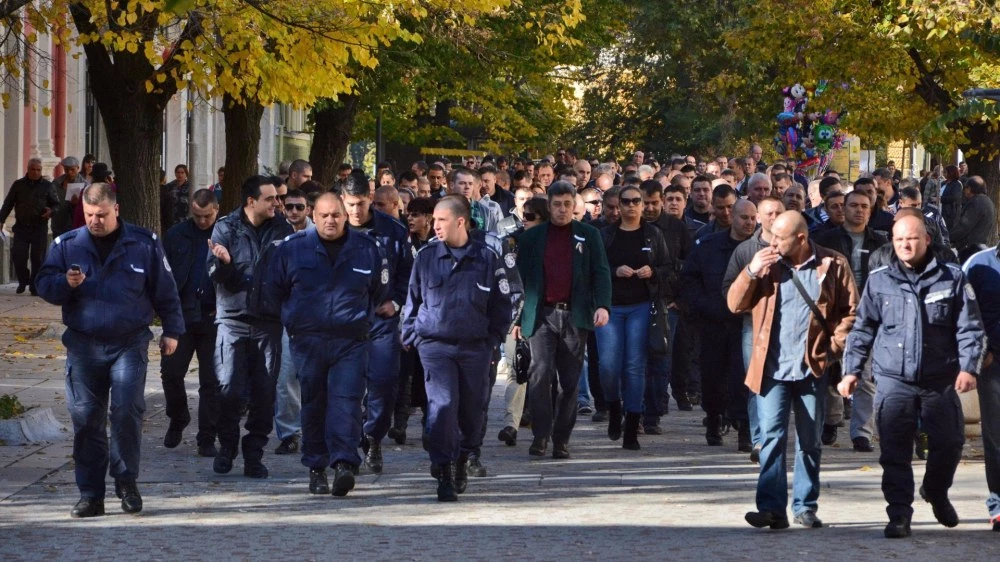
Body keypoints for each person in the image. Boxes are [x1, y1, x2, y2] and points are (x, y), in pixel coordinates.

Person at [35, 183, 184, 518]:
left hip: (129, 342)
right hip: (84, 345)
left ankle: (127, 480)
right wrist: (66, 284)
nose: (95, 221)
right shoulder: (67, 245)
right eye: (89, 215)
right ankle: (91, 494)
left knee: (127, 410)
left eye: (101, 214)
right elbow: (44, 284)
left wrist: (173, 330)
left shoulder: (143, 243)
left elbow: (165, 289)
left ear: (115, 209)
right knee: (87, 419)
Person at [840, 215, 984, 539]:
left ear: (927, 240)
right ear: (893, 240)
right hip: (894, 379)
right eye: (900, 239)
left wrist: (968, 367)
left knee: (950, 443)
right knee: (895, 450)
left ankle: (935, 490)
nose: (906, 244)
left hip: (939, 379)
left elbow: (969, 327)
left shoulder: (952, 278)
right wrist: (850, 371)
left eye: (913, 238)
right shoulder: (879, 280)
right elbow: (862, 329)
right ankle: (899, 514)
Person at [729, 211, 858, 530]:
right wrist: (751, 271)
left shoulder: (833, 264)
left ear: (801, 239)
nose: (771, 242)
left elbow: (851, 312)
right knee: (771, 438)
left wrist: (832, 350)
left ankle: (805, 506)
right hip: (770, 369)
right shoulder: (766, 265)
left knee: (810, 441)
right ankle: (772, 508)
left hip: (811, 369)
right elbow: (734, 304)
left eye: (779, 238)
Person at [265, 192, 386, 497]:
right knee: (314, 404)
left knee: (346, 402)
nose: (330, 220)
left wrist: (361, 321)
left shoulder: (367, 248)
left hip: (350, 342)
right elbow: (273, 291)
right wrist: (293, 323)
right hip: (308, 340)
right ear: (313, 216)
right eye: (324, 215)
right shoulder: (292, 249)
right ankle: (316, 466)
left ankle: (344, 463)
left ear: (345, 216)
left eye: (336, 215)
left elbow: (378, 291)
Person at [401, 195, 512, 501]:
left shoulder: (486, 258)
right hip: (435, 346)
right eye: (434, 220)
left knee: (472, 411)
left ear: (460, 221)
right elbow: (414, 300)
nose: (434, 226)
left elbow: (502, 306)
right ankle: (444, 469)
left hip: (476, 347)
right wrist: (411, 334)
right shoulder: (426, 258)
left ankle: (464, 457)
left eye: (441, 220)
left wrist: (492, 341)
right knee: (443, 406)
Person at [512, 182, 611, 457]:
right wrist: (518, 317)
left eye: (568, 204)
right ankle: (541, 435)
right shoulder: (532, 238)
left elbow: (601, 272)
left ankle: (561, 438)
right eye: (557, 204)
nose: (563, 209)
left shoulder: (588, 235)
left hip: (575, 314)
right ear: (550, 206)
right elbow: (520, 280)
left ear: (575, 206)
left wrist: (602, 305)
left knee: (569, 381)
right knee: (540, 374)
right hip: (542, 313)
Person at [207, 175, 292, 479]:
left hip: (269, 322)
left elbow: (290, 272)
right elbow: (214, 273)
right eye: (270, 198)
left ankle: (254, 453)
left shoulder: (282, 229)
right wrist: (225, 263)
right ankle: (227, 446)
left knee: (265, 392)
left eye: (277, 198)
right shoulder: (226, 227)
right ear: (251, 201)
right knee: (230, 388)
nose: (276, 203)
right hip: (234, 320)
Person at [342, 176, 413, 474]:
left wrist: (396, 302)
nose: (355, 211)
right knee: (345, 387)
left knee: (384, 383)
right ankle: (347, 446)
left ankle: (373, 435)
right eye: (350, 205)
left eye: (360, 204)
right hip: (344, 321)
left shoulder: (393, 231)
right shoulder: (333, 228)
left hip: (381, 319)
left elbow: (408, 274)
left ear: (370, 199)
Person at [594, 184, 671, 450]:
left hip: (641, 305)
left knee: (635, 366)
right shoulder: (605, 235)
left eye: (635, 201)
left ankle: (632, 427)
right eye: (625, 201)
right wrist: (615, 271)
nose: (630, 206)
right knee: (608, 365)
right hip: (611, 307)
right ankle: (614, 406)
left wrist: (653, 272)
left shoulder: (653, 235)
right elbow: (596, 270)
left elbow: (667, 268)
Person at [813, 191, 886, 451]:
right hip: (833, 315)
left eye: (864, 206)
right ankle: (831, 420)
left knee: (865, 375)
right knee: (831, 370)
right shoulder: (826, 239)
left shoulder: (880, 242)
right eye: (853, 205)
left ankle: (862, 433)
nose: (858, 210)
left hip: (869, 314)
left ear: (871, 209)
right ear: (843, 208)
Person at [683, 198, 758, 448]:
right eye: (743, 218)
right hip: (713, 322)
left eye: (752, 218)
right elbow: (690, 280)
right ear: (731, 218)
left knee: (743, 377)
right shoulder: (708, 246)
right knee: (713, 376)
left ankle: (744, 428)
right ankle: (714, 418)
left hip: (745, 323)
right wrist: (703, 307)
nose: (748, 223)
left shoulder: (759, 249)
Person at [721, 196, 786, 461]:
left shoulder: (798, 247)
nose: (774, 217)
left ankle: (778, 434)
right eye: (768, 213)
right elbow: (728, 290)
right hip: (755, 325)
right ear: (758, 217)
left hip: (788, 325)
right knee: (757, 381)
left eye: (778, 212)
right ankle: (759, 440)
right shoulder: (746, 250)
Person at [160, 189, 222, 457]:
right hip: (181, 316)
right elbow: (163, 276)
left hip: (214, 317)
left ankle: (206, 437)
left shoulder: (226, 234)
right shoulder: (176, 235)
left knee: (211, 381)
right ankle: (178, 416)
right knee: (171, 373)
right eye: (196, 216)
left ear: (216, 210)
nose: (202, 221)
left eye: (207, 216)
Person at [497, 198, 549, 446]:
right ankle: (511, 424)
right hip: (515, 314)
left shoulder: (551, 242)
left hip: (546, 316)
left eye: (530, 217)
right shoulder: (511, 242)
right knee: (515, 368)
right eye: (523, 216)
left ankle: (542, 424)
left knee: (541, 372)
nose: (524, 221)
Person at [639, 180, 689, 433]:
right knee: (637, 360)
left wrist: (680, 298)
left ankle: (654, 412)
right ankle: (637, 409)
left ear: (661, 201)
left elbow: (689, 265)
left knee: (661, 357)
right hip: (636, 301)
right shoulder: (633, 226)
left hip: (667, 301)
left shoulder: (677, 228)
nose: (648, 208)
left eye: (653, 203)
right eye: (644, 203)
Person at [272, 190, 314, 456]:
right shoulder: (276, 234)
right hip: (288, 318)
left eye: (300, 207)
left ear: (308, 209)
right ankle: (289, 433)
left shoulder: (319, 234)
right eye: (290, 207)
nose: (295, 212)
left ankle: (317, 430)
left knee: (317, 379)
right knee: (285, 378)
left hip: (318, 318)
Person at [962, 246, 1000, 531]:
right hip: (994, 364)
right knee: (996, 438)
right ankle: (999, 505)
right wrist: (978, 351)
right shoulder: (978, 263)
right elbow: (964, 313)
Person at [0, 158, 59, 295]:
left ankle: (34, 285)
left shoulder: (47, 186)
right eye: (33, 169)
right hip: (21, 226)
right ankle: (23, 280)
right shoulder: (18, 185)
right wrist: (1, 219)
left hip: (39, 226)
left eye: (38, 170)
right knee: (18, 255)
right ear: (28, 169)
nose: (36, 172)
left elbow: (56, 204)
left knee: (37, 258)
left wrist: (51, 211)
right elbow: (8, 203)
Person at [949, 176, 996, 259]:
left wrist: (948, 238)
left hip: (969, 248)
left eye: (965, 188)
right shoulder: (988, 201)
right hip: (979, 247)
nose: (964, 191)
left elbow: (964, 226)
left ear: (969, 188)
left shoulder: (977, 202)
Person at [51, 156, 88, 236]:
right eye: (66, 170)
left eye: (72, 170)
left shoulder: (85, 184)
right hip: (58, 224)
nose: (69, 172)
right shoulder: (56, 183)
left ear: (78, 168)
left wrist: (78, 203)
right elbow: (51, 200)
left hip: (76, 225)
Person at [161, 164, 191, 230]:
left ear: (186, 174)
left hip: (185, 218)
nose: (180, 175)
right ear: (175, 173)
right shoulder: (169, 186)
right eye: (178, 172)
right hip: (171, 219)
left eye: (182, 172)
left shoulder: (190, 187)